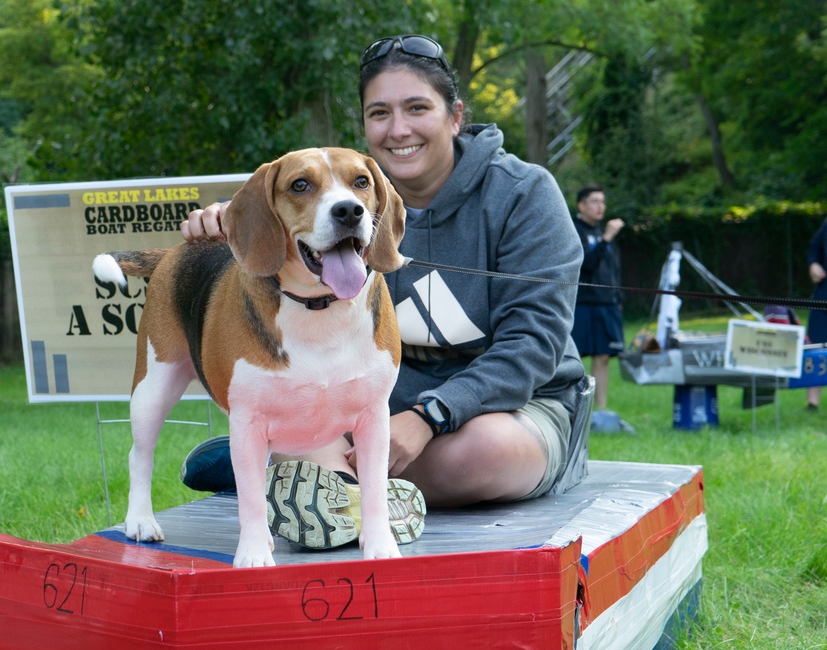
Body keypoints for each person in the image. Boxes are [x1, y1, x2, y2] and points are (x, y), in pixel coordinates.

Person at [179, 34, 586, 528]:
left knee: (477, 456)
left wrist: (429, 417)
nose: (398, 130)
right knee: (317, 449)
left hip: (515, 409)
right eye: (379, 113)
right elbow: (272, 250)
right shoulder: (333, 207)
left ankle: (298, 480)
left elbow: (533, 345)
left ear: (456, 116)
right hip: (365, 415)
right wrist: (235, 229)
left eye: (417, 108)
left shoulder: (525, 193)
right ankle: (299, 471)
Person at [571, 185, 625, 412]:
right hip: (582, 304)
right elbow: (587, 264)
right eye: (594, 201)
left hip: (606, 304)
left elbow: (614, 270)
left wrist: (618, 298)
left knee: (603, 357)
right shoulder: (573, 230)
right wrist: (606, 238)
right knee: (575, 357)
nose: (600, 206)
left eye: (602, 201)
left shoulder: (604, 234)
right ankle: (572, 406)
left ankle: (600, 409)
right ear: (581, 206)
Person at [806, 217, 827, 411]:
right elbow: (814, 248)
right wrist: (813, 264)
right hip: (823, 296)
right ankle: (812, 402)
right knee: (815, 346)